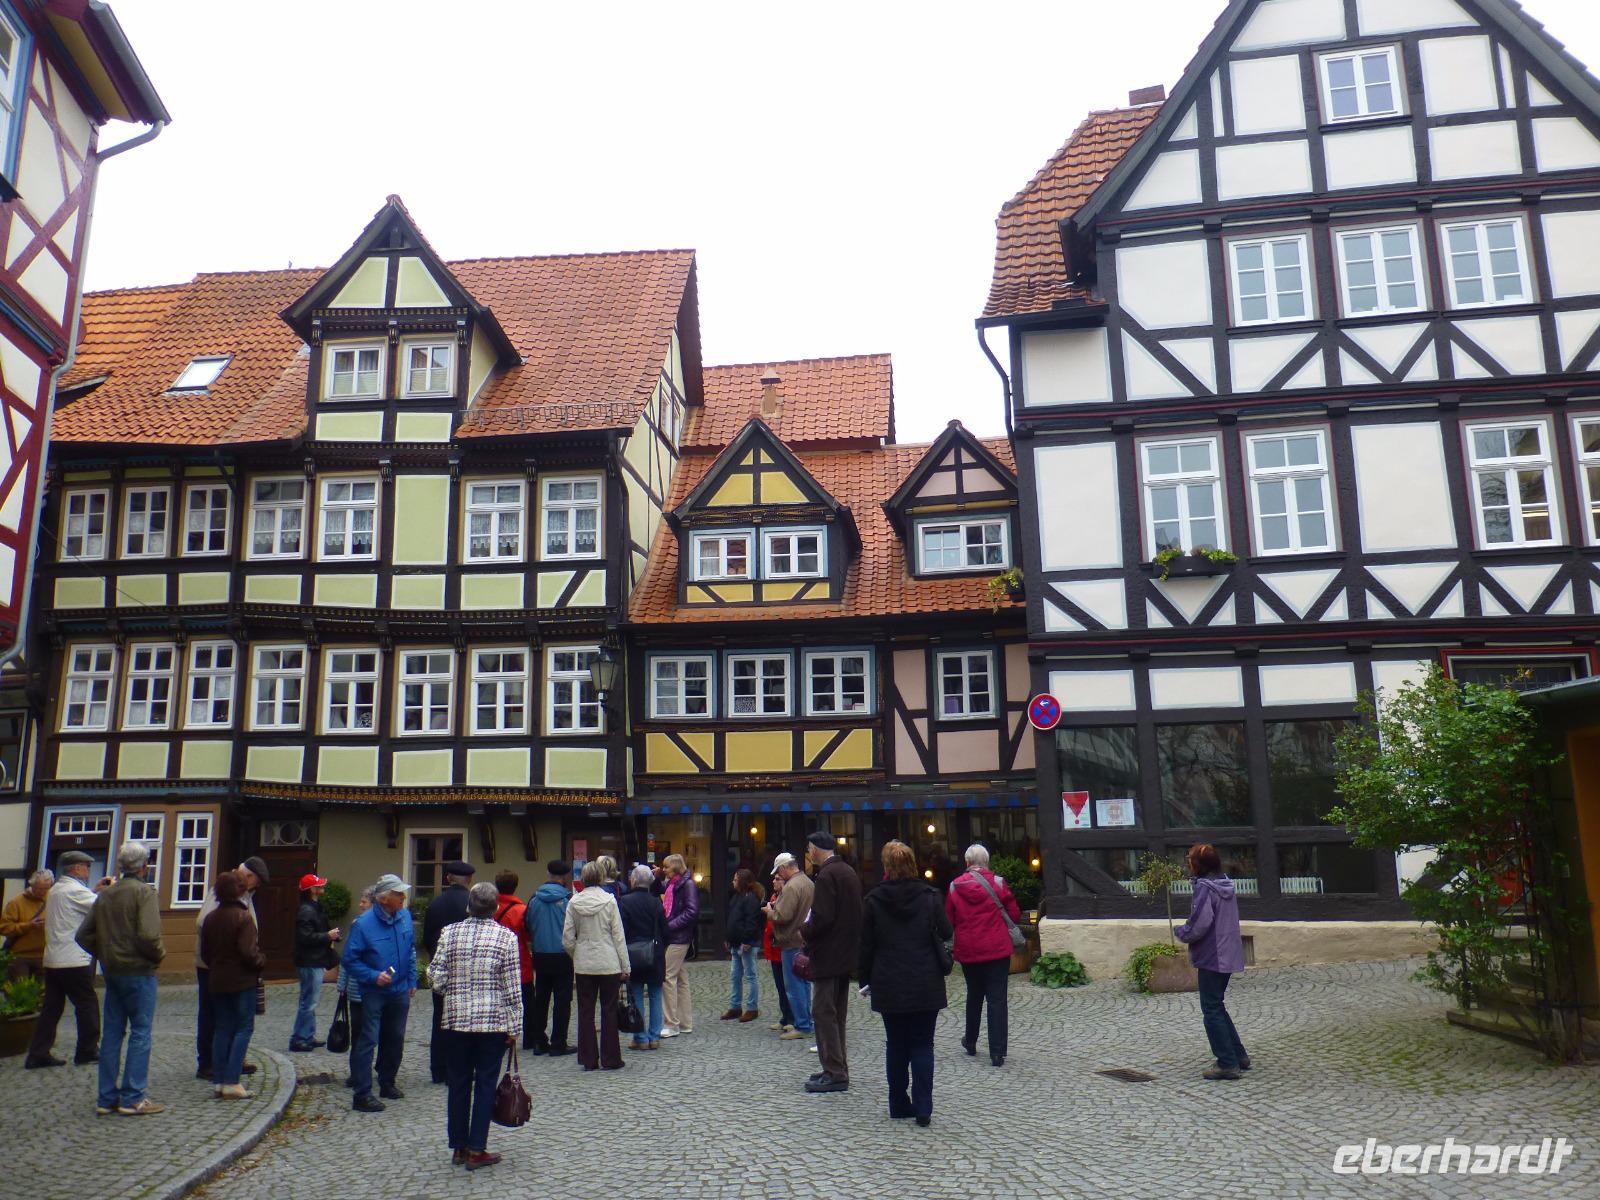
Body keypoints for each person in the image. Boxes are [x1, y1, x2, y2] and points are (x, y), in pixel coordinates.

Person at [431, 881, 523, 1171]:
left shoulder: (449, 933)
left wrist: (453, 991)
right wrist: (514, 1026)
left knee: (458, 1082)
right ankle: (476, 1148)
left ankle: (459, 1146)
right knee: (485, 1084)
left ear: (469, 906)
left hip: (456, 1020)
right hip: (491, 1023)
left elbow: (435, 978)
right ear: (495, 907)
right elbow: (512, 988)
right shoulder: (506, 938)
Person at [860, 840, 953, 1127]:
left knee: (897, 1045)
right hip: (925, 979)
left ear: (886, 866)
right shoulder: (930, 897)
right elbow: (946, 931)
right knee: (923, 1045)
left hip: (889, 981)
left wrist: (864, 979)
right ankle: (923, 1106)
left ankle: (899, 1102)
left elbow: (866, 945)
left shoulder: (873, 900)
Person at [75, 844, 165, 1115]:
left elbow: (82, 935)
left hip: (112, 972)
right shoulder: (144, 893)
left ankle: (106, 1099)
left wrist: (104, 952)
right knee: (140, 1032)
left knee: (113, 1033)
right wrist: (158, 955)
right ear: (144, 867)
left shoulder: (106, 895)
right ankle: (133, 1098)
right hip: (139, 971)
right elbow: (149, 936)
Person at [25, 850, 109, 1068]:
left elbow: (81, 903)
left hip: (53, 957)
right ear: (77, 868)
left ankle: (38, 1052)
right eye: (86, 866)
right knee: (87, 1003)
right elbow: (103, 906)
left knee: (52, 1007)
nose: (88, 870)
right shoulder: (74, 890)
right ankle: (87, 1050)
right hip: (73, 958)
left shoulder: (56, 890)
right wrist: (111, 890)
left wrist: (94, 890)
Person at [342, 873, 418, 1112]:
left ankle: (387, 1082)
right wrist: (373, 976)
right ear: (384, 899)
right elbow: (349, 960)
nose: (403, 897)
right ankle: (362, 1093)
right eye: (398, 894)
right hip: (374, 991)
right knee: (369, 1039)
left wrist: (412, 979)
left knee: (395, 1037)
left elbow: (410, 950)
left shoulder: (404, 916)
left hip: (400, 988)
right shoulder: (363, 925)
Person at [1175, 843, 1250, 1081]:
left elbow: (1200, 923)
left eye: (1191, 861)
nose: (1188, 864)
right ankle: (1238, 1056)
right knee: (1217, 1004)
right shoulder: (1224, 883)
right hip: (1228, 951)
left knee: (1211, 1008)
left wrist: (1182, 932)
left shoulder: (1205, 889)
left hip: (1213, 955)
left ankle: (1227, 1063)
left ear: (1199, 865)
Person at [946, 843, 1022, 1067]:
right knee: (997, 999)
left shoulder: (954, 887)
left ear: (967, 862)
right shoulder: (998, 883)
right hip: (997, 949)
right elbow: (1014, 913)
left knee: (974, 995)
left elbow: (948, 919)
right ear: (987, 862)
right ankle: (997, 1052)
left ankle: (970, 1041)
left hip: (969, 950)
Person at [193, 856, 268, 1082]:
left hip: (225, 965)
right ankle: (208, 1063)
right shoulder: (225, 888)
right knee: (212, 1016)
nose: (256, 886)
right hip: (213, 965)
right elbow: (203, 922)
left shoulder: (243, 893)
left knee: (229, 1018)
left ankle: (230, 1059)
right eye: (256, 881)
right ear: (249, 876)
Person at [800, 830, 863, 1094]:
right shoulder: (847, 871)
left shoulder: (827, 875)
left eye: (809, 849)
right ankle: (836, 1067)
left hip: (828, 955)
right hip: (844, 954)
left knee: (824, 1013)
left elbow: (822, 918)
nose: (808, 853)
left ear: (815, 849)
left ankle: (834, 1071)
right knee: (836, 1014)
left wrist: (805, 931)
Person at [562, 860, 630, 1070]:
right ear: (601, 877)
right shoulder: (609, 901)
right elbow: (618, 936)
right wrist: (625, 965)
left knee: (585, 1011)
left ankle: (588, 1058)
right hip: (608, 961)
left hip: (584, 963)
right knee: (609, 1010)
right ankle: (611, 1058)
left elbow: (567, 939)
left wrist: (577, 954)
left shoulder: (574, 902)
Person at [422, 861, 475, 1084]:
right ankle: (460, 1068)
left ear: (448, 879)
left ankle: (438, 1068)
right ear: (469, 880)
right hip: (467, 972)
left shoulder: (435, 903)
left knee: (440, 1019)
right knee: (465, 1021)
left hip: (442, 970)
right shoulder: (473, 904)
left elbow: (426, 938)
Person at [525, 860, 574, 1056]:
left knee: (541, 997)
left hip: (540, 953)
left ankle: (539, 1040)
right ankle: (558, 1042)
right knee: (562, 1000)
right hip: (563, 954)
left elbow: (528, 924)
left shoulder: (534, 899)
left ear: (548, 874)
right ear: (565, 877)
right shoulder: (568, 899)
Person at [617, 863, 668, 1050]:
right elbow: (665, 931)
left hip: (633, 954)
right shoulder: (656, 902)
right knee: (655, 995)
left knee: (636, 994)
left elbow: (621, 931)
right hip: (654, 954)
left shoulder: (624, 901)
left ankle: (640, 1037)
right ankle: (654, 1036)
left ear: (633, 881)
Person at [764, 852, 813, 1042]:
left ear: (785, 867)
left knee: (794, 985)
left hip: (791, 940)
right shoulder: (807, 882)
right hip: (804, 938)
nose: (778, 875)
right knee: (804, 983)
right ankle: (807, 1021)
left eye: (779, 870)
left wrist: (770, 911)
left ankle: (802, 1025)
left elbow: (782, 915)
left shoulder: (792, 886)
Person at [291, 873, 342, 1052]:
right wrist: (327, 936)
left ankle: (307, 1036)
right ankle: (299, 1039)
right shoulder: (307, 911)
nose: (322, 887)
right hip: (309, 961)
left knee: (310, 1000)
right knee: (308, 1002)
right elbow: (305, 937)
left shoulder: (313, 908)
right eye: (319, 885)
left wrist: (331, 935)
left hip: (314, 960)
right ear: (312, 890)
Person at [492, 871, 534, 1049]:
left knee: (499, 1001)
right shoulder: (521, 910)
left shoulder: (491, 908)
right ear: (515, 886)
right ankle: (530, 1038)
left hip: (495, 962)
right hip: (519, 962)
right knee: (527, 1003)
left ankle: (501, 1037)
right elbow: (528, 936)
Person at [339, 886, 376, 1089]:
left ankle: (367, 1071)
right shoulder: (357, 924)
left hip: (376, 989)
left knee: (371, 1035)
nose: (360, 905)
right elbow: (348, 957)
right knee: (359, 1033)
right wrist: (342, 985)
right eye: (361, 901)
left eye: (364, 902)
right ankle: (357, 1074)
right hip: (356, 990)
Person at [659, 853, 699, 1038]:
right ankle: (685, 1023)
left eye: (666, 867)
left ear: (675, 867)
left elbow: (692, 911)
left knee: (667, 977)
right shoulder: (672, 883)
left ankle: (671, 1024)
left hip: (679, 937)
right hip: (676, 936)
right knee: (681, 980)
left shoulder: (687, 885)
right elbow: (655, 889)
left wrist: (669, 926)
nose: (664, 869)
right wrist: (657, 876)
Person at [722, 868, 763, 1022]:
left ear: (743, 881)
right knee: (735, 976)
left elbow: (752, 922)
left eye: (735, 879)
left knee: (750, 976)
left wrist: (747, 941)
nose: (733, 882)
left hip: (746, 944)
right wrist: (728, 937)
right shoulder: (737, 897)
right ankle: (735, 1007)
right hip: (735, 943)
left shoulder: (751, 898)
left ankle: (752, 1008)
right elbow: (732, 919)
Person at [0, 869, 52, 979]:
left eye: (46, 888)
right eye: (39, 888)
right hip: (20, 956)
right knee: (20, 988)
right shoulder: (16, 903)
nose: (43, 892)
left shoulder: (52, 900)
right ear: (32, 885)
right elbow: (4, 928)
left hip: (44, 956)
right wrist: (28, 925)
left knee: (43, 989)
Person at [762, 874, 795, 1033]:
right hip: (774, 948)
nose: (774, 881)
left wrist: (771, 911)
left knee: (789, 986)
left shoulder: (786, 898)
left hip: (783, 947)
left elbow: (782, 918)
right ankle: (785, 1017)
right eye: (774, 879)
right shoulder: (774, 897)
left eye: (777, 879)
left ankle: (793, 1018)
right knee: (780, 986)